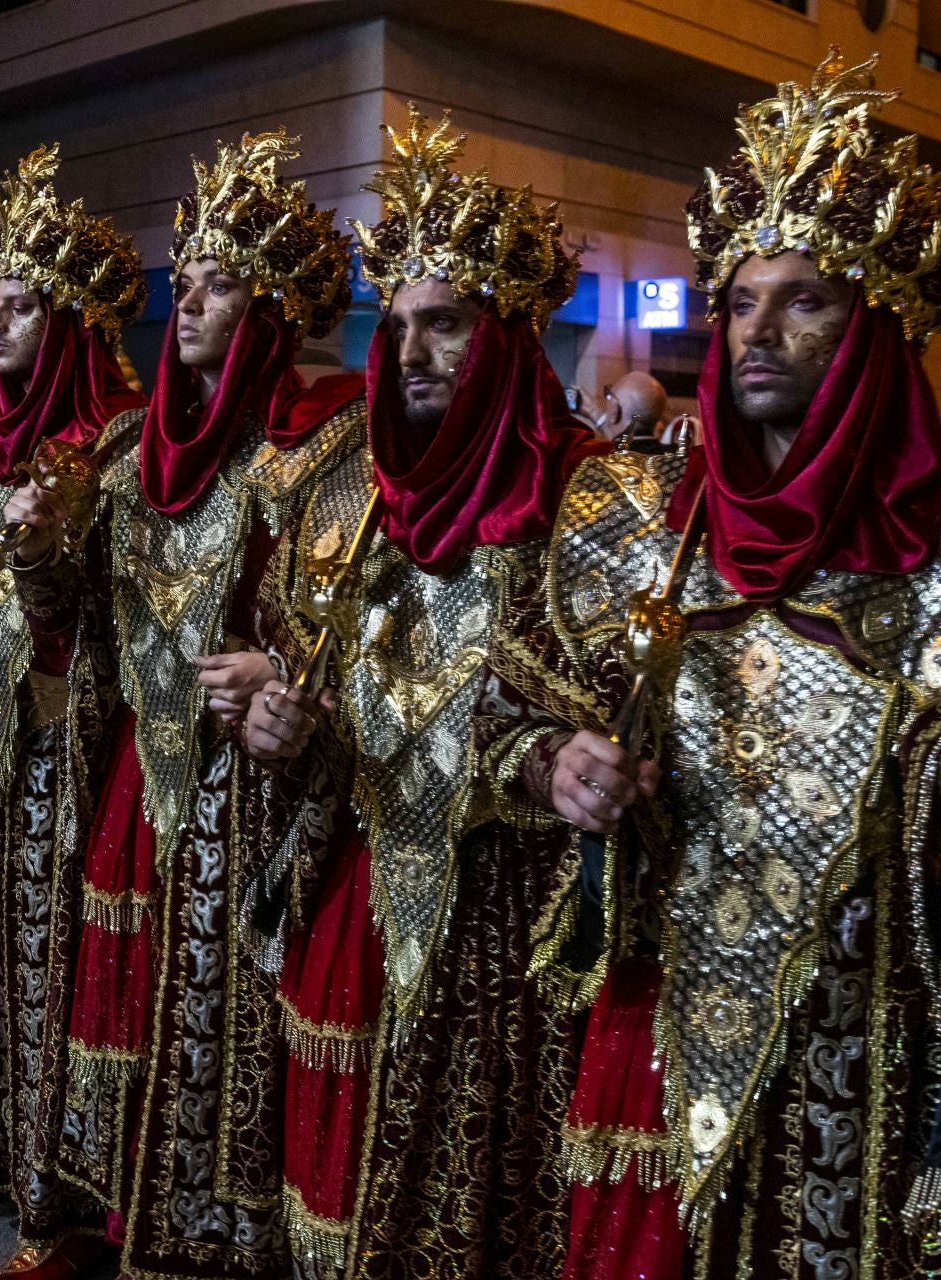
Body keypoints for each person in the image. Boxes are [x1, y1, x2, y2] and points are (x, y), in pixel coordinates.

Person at [484, 52, 941, 1277]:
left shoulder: (930, 557)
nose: (759, 332)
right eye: (740, 302)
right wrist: (557, 763)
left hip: (860, 1038)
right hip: (659, 1002)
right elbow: (508, 698)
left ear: (876, 323)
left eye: (806, 301)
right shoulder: (636, 518)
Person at [239, 109, 605, 1279]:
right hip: (358, 879)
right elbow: (304, 672)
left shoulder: (589, 501)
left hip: (503, 916)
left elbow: (612, 712)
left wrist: (551, 756)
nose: (410, 352)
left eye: (443, 323)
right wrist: (272, 714)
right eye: (396, 325)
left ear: (506, 333)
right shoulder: (350, 498)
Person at [16, 131, 362, 1280]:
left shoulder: (318, 451)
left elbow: (345, 616)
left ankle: (205, 1233)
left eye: (222, 284)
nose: (196, 302)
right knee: (115, 991)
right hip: (134, 764)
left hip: (239, 787)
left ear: (269, 309)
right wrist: (37, 549)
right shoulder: (125, 451)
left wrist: (279, 670)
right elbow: (70, 623)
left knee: (213, 1005)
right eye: (191, 280)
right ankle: (102, 1215)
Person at [0, 144, 149, 1273]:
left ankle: (60, 1199)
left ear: (70, 325)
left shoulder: (122, 442)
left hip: (72, 743)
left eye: (21, 307)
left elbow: (112, 616)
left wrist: (43, 554)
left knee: (58, 965)